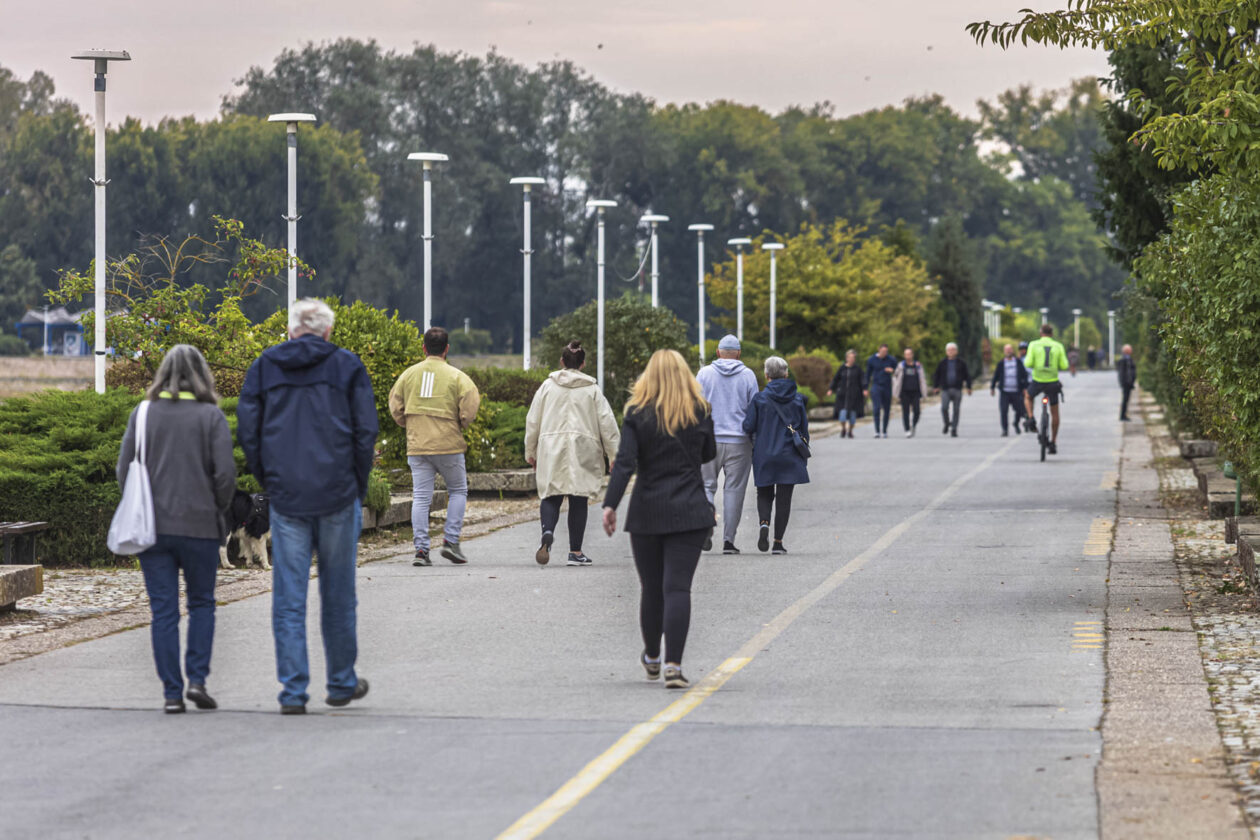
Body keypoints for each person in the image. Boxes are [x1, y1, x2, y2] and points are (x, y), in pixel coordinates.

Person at [238, 299, 378, 714]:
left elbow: (249, 430)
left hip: (288, 497)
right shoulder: (348, 366)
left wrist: (270, 480)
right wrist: (356, 484)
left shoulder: (265, 366)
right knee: (339, 593)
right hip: (337, 495)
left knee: (289, 597)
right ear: (328, 333)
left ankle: (293, 690)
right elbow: (365, 432)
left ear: (291, 330)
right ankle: (340, 682)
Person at [117, 345, 235, 714]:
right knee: (202, 603)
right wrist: (216, 508)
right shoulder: (210, 415)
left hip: (153, 529)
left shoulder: (144, 413)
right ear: (202, 374)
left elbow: (124, 470)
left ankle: (171, 692)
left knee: (164, 611)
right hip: (200, 526)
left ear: (162, 374)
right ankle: (197, 679)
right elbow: (226, 477)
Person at [602, 349, 716, 690]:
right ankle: (674, 666)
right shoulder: (700, 411)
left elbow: (625, 462)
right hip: (691, 509)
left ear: (647, 377)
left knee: (652, 588)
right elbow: (708, 454)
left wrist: (610, 505)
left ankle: (652, 656)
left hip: (647, 510)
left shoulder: (637, 413)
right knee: (678, 587)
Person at [389, 327, 482, 566]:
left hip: (418, 444)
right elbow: (471, 405)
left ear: (424, 348)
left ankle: (421, 550)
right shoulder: (458, 376)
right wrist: (462, 422)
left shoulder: (408, 375)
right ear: (447, 349)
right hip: (449, 444)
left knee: (421, 496)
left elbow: (395, 405)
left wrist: (407, 424)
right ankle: (450, 541)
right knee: (458, 490)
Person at [524, 340, 620, 566]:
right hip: (583, 447)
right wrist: (614, 455)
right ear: (583, 364)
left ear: (561, 362)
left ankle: (547, 533)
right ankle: (575, 552)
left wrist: (530, 450)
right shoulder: (592, 390)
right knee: (579, 497)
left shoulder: (547, 387)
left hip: (551, 447)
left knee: (551, 494)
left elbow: (533, 420)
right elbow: (608, 424)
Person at [696, 334, 759, 554]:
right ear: (739, 353)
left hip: (708, 439)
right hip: (739, 441)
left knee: (706, 486)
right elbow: (754, 409)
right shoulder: (748, 376)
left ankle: (705, 525)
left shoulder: (704, 374)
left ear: (718, 352)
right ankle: (729, 541)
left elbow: (694, 405)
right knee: (734, 490)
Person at [742, 356, 810, 555]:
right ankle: (778, 542)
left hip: (764, 453)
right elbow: (804, 430)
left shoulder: (760, 399)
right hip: (789, 454)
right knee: (784, 498)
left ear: (766, 375)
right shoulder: (797, 399)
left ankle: (764, 523)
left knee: (764, 492)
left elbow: (748, 426)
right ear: (786, 373)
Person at [1023, 323, 1070, 454]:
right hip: (1052, 382)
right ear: (1052, 334)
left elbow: (1028, 363)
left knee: (1028, 396)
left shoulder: (1033, 344)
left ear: (1040, 333)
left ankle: (1031, 417)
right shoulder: (1058, 346)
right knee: (1055, 412)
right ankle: (1053, 442)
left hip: (1038, 380)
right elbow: (1064, 365)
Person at [931, 342, 972, 438]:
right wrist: (936, 387)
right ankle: (946, 423)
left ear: (956, 351)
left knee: (956, 410)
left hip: (957, 389)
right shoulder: (942, 363)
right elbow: (937, 375)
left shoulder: (961, 363)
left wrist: (969, 387)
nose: (951, 352)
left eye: (953, 350)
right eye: (949, 350)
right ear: (946, 352)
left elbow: (967, 375)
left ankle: (954, 429)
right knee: (944, 408)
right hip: (945, 389)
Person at [989, 343, 1029, 437]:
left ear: (1013, 351)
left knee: (1020, 410)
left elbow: (1024, 375)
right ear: (1004, 352)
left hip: (1016, 391)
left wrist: (1024, 387)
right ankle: (1005, 430)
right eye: (1006, 350)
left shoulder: (1018, 362)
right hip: (1005, 392)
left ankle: (1016, 423)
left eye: (1010, 350)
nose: (1008, 352)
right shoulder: (1001, 363)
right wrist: (992, 387)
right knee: (1003, 411)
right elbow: (996, 376)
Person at [827, 349, 865, 439]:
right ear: (847, 358)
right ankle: (843, 428)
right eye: (850, 357)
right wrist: (831, 389)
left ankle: (850, 431)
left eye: (853, 358)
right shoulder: (842, 368)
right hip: (842, 396)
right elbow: (836, 379)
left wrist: (865, 389)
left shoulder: (858, 369)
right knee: (842, 416)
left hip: (854, 396)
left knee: (852, 417)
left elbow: (863, 380)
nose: (852, 359)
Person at [891, 347, 928, 438]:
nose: (907, 356)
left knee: (917, 411)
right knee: (905, 412)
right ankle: (907, 429)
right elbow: (895, 376)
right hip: (904, 392)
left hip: (915, 392)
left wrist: (924, 392)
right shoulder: (901, 365)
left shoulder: (918, 365)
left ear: (912, 355)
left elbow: (922, 379)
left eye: (909, 354)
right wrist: (895, 390)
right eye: (906, 354)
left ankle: (913, 425)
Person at [864, 344, 896, 438]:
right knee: (876, 408)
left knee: (886, 409)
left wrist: (892, 370)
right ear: (879, 350)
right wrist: (865, 388)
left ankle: (885, 431)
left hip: (887, 386)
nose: (884, 353)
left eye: (886, 352)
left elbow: (898, 370)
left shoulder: (891, 359)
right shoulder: (871, 360)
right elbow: (867, 374)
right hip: (876, 386)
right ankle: (877, 431)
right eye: (883, 352)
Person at [1117, 344, 1137, 421]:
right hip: (1126, 383)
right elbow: (1123, 373)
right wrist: (1125, 382)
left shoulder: (1128, 359)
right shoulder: (1124, 360)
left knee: (1126, 399)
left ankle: (1124, 414)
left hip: (1128, 383)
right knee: (1125, 399)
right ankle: (1123, 415)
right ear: (1127, 351)